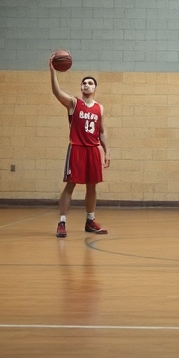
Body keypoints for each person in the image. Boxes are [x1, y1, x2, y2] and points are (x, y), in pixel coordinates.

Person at [50, 59, 111, 237]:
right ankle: (62, 222)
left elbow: (102, 131)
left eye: (90, 83)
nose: (86, 85)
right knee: (70, 185)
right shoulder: (74, 104)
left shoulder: (99, 108)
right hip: (76, 148)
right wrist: (53, 72)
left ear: (95, 88)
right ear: (81, 88)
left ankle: (90, 221)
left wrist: (107, 151)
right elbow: (57, 92)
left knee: (92, 186)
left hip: (93, 150)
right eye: (84, 83)